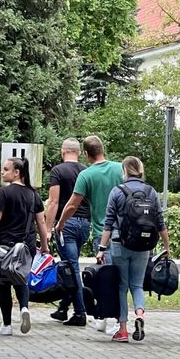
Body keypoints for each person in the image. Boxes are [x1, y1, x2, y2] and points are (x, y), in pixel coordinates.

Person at [96, 156, 170, 343]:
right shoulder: (151, 191)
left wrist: (101, 248)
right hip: (143, 245)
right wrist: (167, 246)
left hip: (119, 244)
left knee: (122, 286)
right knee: (137, 285)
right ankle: (140, 314)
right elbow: (160, 222)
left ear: (125, 171)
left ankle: (122, 330)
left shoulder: (117, 191)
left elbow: (108, 223)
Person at [56, 135, 122, 333]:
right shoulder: (120, 168)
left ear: (86, 154)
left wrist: (60, 223)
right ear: (103, 149)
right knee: (121, 277)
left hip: (103, 234)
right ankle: (108, 316)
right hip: (124, 232)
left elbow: (72, 205)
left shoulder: (86, 175)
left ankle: (114, 319)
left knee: (106, 277)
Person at [0, 157, 49, 336]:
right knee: (20, 277)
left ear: (17, 172)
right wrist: (44, 245)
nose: (2, 172)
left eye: (6, 169)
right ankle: (24, 308)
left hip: (5, 245)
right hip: (27, 245)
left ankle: (6, 325)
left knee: (4, 283)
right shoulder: (34, 195)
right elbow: (41, 222)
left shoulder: (3, 193)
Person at [46, 138, 91, 326]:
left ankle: (80, 313)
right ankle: (63, 308)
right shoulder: (87, 171)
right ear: (79, 153)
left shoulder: (58, 171)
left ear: (62, 151)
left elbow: (54, 202)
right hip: (85, 224)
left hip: (66, 225)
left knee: (72, 269)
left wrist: (47, 229)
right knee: (70, 266)